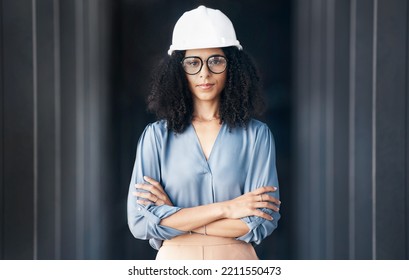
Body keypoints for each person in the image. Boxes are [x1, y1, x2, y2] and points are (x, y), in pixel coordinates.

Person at [127, 5, 281, 260]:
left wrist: (174, 216)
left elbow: (261, 222)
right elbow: (140, 223)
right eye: (193, 63)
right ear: (179, 69)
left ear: (232, 67)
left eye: (216, 61)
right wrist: (228, 208)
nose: (204, 73)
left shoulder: (257, 136)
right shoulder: (155, 137)